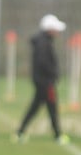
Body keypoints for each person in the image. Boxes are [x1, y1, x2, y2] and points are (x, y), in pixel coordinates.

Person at [13, 13, 69, 145]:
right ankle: (58, 135)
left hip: (42, 81)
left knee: (36, 107)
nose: (57, 32)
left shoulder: (42, 41)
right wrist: (53, 74)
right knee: (52, 108)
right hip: (45, 82)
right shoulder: (43, 43)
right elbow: (43, 62)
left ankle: (20, 132)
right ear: (49, 29)